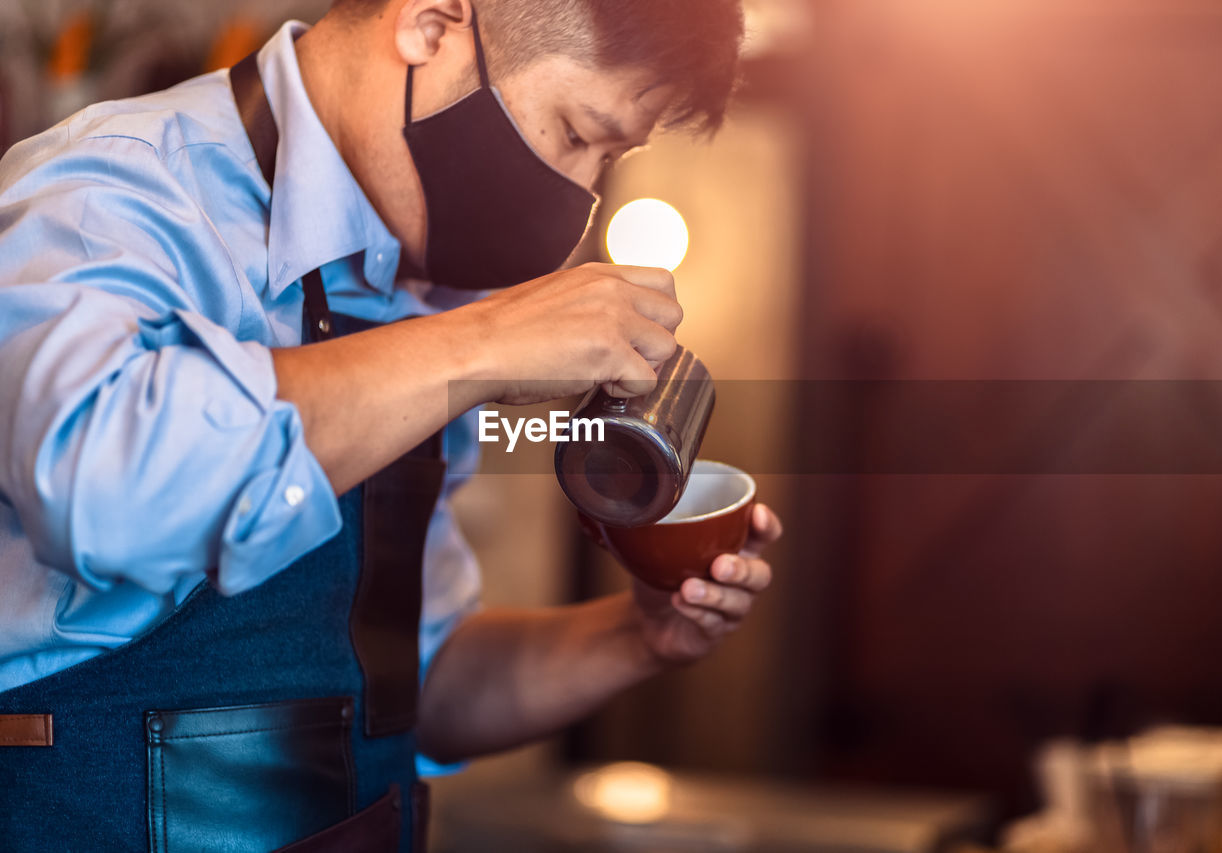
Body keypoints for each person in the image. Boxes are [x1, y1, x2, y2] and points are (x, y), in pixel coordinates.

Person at [0, 0, 782, 849]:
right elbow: (103, 485)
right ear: (434, 24)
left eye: (609, 158)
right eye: (573, 131)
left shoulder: (416, 294)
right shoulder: (114, 194)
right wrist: (480, 344)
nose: (582, 192)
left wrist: (639, 635)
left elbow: (414, 682)